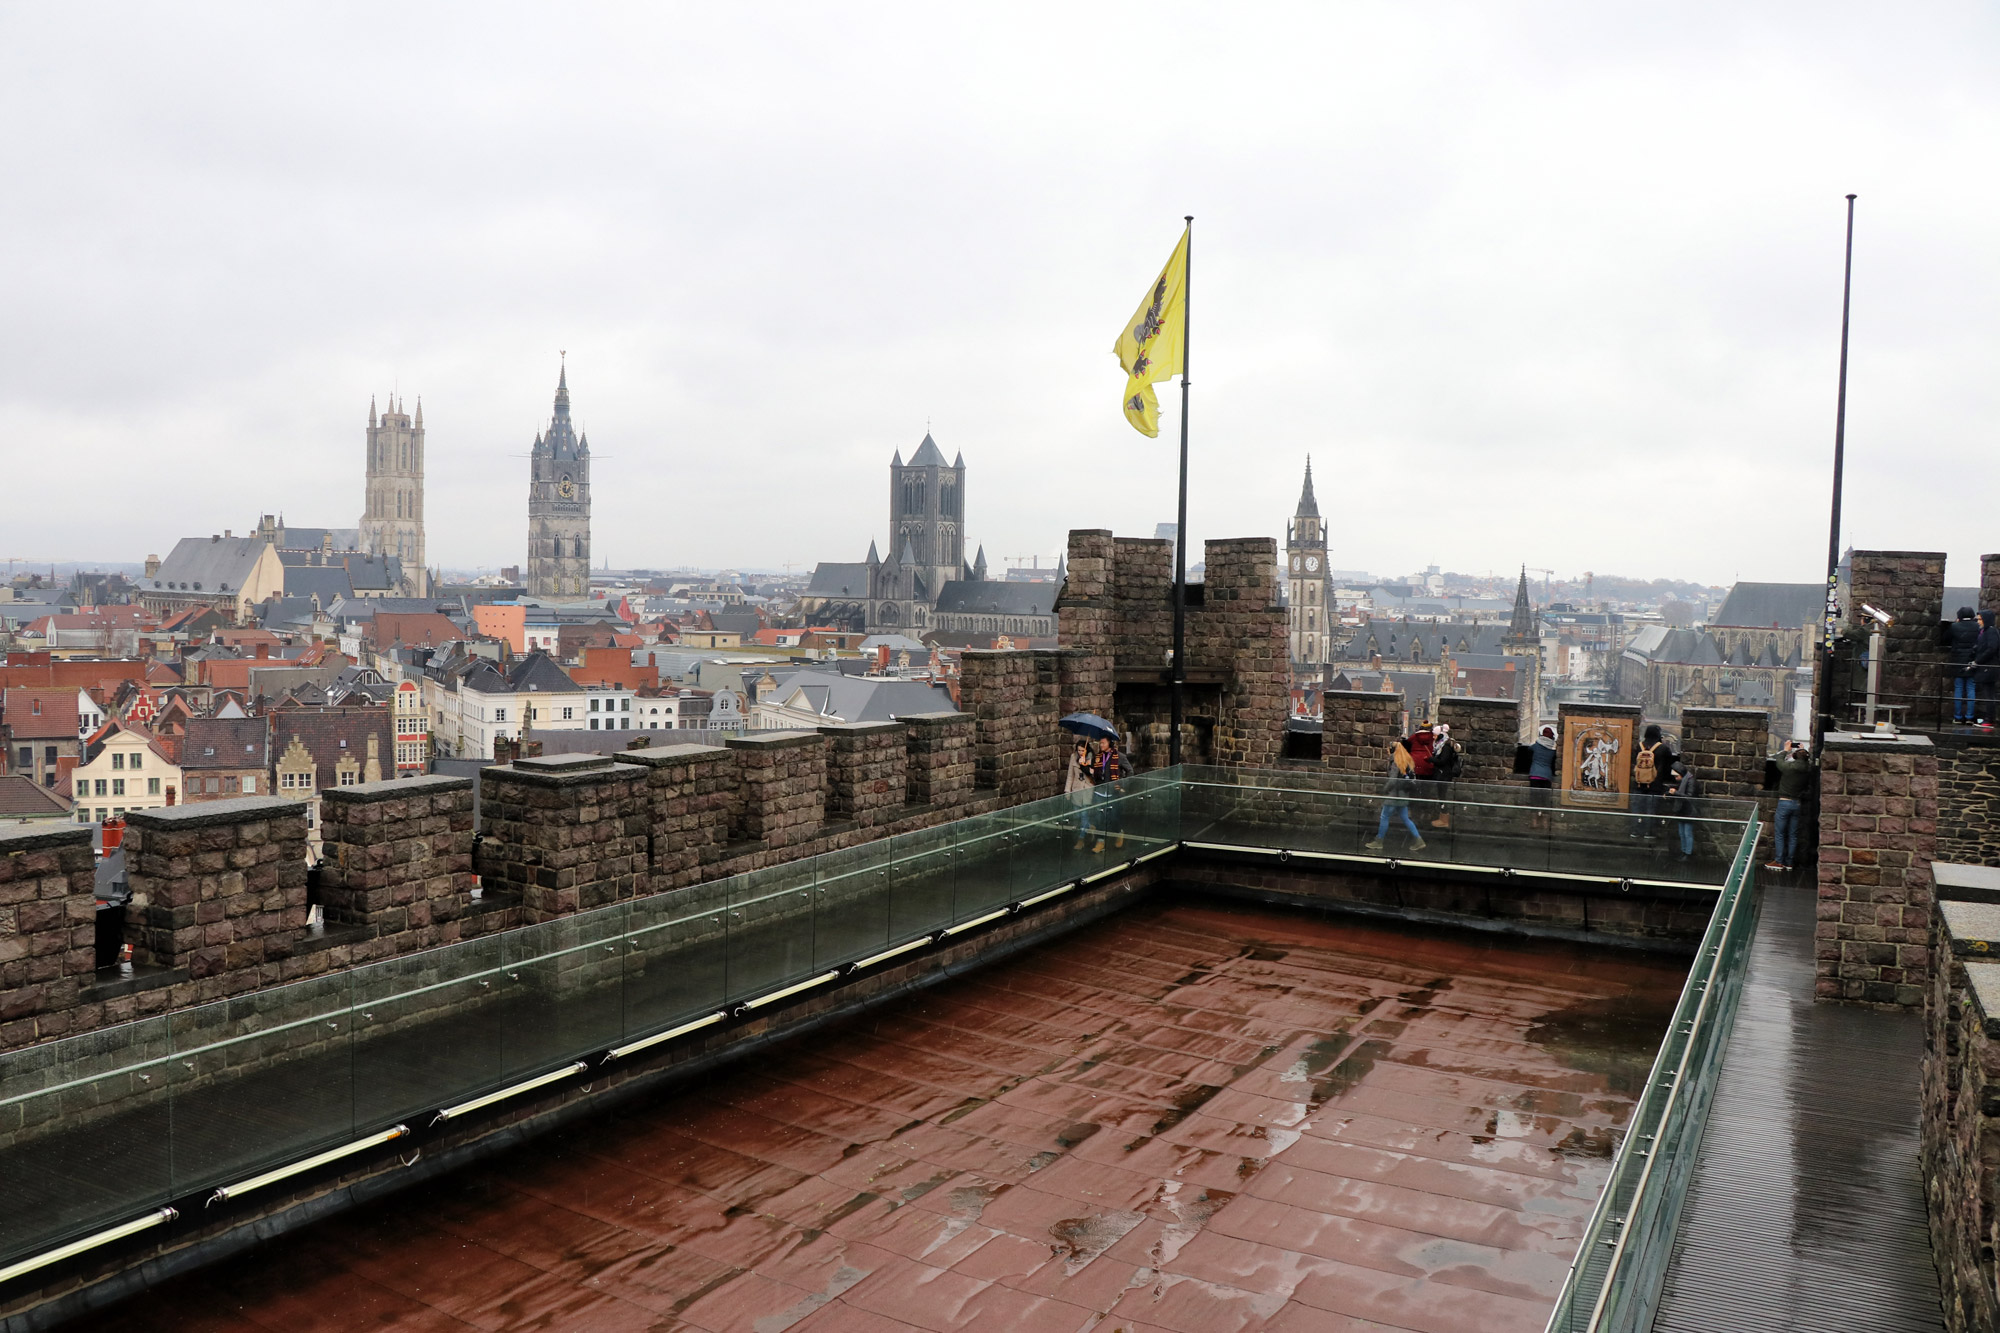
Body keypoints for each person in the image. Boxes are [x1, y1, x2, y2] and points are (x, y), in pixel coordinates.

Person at [1365, 740, 1426, 853]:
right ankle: (1419, 840)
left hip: (1394, 795)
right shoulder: (1406, 760)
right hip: (1403, 795)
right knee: (1405, 818)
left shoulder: (1395, 761)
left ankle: (1379, 841)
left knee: (1384, 816)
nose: (1388, 751)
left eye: (1389, 749)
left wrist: (1385, 789)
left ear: (1393, 750)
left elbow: (1392, 780)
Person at [1769, 739, 1814, 872]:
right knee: (1793, 834)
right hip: (1797, 804)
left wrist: (1786, 750)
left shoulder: (1790, 768)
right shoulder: (1807, 768)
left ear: (1794, 757)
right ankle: (1789, 863)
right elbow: (1807, 760)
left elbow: (1779, 762)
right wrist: (1803, 750)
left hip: (1784, 803)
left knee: (1780, 833)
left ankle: (1779, 861)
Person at [1631, 724, 1676, 839]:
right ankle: (1648, 832)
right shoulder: (1663, 748)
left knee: (1637, 809)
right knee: (1651, 809)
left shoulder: (1639, 746)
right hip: (1655, 785)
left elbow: (1634, 763)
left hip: (1639, 783)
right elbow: (1668, 766)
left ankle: (1635, 831)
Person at [1089, 735, 1126, 854]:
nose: (1101, 745)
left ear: (1109, 743)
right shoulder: (1098, 757)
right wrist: (1084, 765)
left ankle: (1119, 833)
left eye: (1103, 743)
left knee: (1113, 818)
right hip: (1100, 792)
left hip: (1113, 793)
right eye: (1100, 743)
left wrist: (1122, 784)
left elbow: (1130, 770)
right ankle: (1100, 841)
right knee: (1100, 818)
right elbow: (1092, 772)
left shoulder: (1119, 757)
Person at [1949, 606, 1982, 725]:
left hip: (1957, 660)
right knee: (1971, 689)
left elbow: (1945, 638)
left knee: (1958, 688)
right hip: (1972, 660)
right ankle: (1969, 717)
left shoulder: (1954, 627)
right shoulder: (1977, 626)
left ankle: (1957, 717)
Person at [1428, 722, 1462, 829]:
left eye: (1435, 735)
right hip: (1442, 774)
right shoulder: (1441, 745)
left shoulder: (1445, 747)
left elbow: (1442, 761)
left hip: (1444, 775)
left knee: (1442, 796)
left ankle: (1444, 820)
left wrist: (1431, 759)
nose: (1433, 737)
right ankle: (1442, 818)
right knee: (1440, 795)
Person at [1526, 723, 1558, 829]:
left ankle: (1534, 822)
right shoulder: (1551, 750)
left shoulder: (1536, 746)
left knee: (1534, 799)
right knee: (1545, 800)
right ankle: (1544, 823)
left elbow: (1528, 750)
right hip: (1547, 777)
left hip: (1535, 775)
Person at [1065, 738, 1094, 850]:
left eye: (1082, 750)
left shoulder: (1091, 758)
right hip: (1076, 790)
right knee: (1076, 815)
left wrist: (1084, 765)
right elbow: (1070, 775)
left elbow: (1092, 775)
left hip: (1087, 790)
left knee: (1084, 815)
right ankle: (1089, 827)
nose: (1080, 752)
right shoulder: (1073, 757)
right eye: (1079, 750)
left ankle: (1081, 840)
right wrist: (1067, 791)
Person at [1668, 759, 1699, 858]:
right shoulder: (1685, 779)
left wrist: (1675, 793)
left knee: (1687, 833)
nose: (1676, 778)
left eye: (1677, 776)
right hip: (1682, 810)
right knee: (1682, 833)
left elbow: (1689, 797)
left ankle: (1687, 853)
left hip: (1689, 810)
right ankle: (1684, 851)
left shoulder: (1691, 781)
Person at [1976, 610, 2000, 731]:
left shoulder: (1990, 631)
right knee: (1988, 694)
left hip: (1989, 667)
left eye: (1980, 619)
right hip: (1987, 666)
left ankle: (1989, 719)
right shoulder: (1985, 631)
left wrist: (1978, 660)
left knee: (1989, 694)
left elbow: (1991, 648)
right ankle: (1988, 718)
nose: (1978, 622)